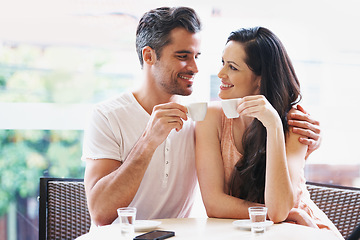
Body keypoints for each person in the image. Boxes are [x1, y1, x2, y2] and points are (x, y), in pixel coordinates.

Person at [82, 7, 322, 227]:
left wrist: (311, 139)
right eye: (182, 56)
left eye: (196, 56)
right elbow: (101, 214)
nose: (196, 68)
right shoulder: (107, 116)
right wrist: (148, 141)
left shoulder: (199, 112)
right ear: (148, 56)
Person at [195, 27, 343, 239]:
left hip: (301, 230)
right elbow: (214, 204)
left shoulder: (295, 122)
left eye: (233, 67)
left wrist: (273, 125)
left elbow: (279, 210)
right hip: (253, 230)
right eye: (222, 63)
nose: (220, 74)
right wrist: (270, 214)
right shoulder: (211, 118)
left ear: (260, 79)